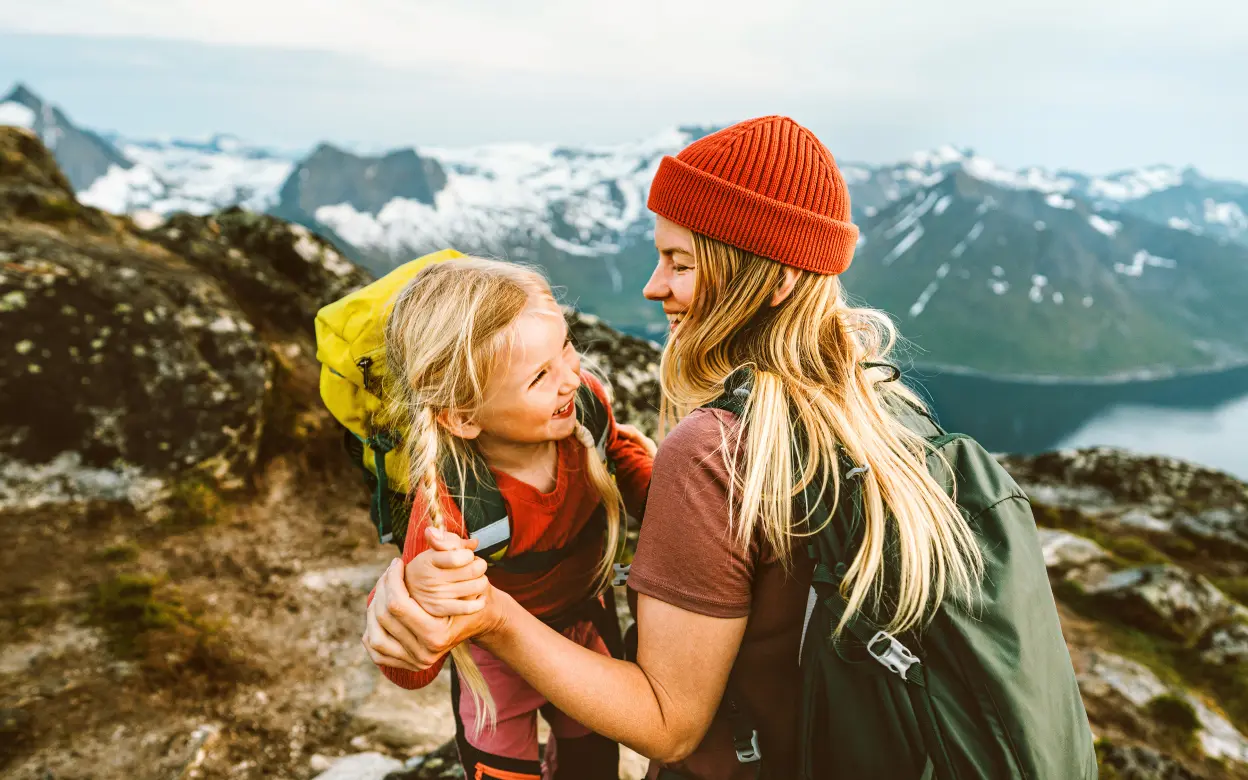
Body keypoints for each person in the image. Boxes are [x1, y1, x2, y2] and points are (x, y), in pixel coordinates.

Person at [365, 116, 1091, 779]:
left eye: (680, 263)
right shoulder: (876, 401)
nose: (653, 287)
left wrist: (491, 616)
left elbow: (667, 725)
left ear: (773, 280)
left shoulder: (715, 450)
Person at [362, 256, 654, 780]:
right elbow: (412, 670)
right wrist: (421, 602)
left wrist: (669, 494)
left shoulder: (585, 410)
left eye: (565, 347)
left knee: (592, 766)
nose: (571, 378)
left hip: (584, 629)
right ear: (463, 416)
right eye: (540, 375)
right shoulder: (451, 504)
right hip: (495, 663)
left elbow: (618, 454)